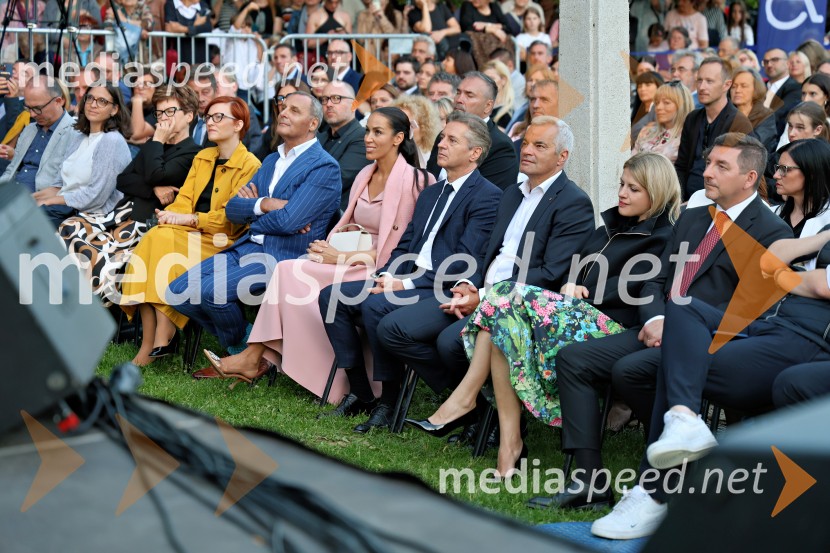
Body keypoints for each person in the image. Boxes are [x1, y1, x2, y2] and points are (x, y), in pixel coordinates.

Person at [536, 133, 793, 514]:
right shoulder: (693, 218)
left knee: (631, 371)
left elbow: (750, 310)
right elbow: (655, 281)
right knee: (574, 359)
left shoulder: (773, 233)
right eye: (708, 163)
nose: (707, 172)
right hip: (657, 326)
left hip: (709, 340)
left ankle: (670, 467)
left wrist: (680, 327)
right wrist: (657, 317)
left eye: (721, 166)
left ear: (749, 177)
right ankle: (590, 480)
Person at [407, 151, 681, 475]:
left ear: (656, 191)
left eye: (633, 189)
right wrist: (571, 283)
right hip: (574, 315)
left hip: (614, 326)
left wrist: (585, 292)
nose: (622, 193)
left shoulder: (665, 237)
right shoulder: (609, 227)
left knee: (505, 294)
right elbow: (575, 266)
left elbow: (645, 288)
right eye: (622, 184)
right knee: (501, 325)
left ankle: (467, 399)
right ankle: (509, 444)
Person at [598, 227, 830, 539]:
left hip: (805, 338)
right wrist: (822, 239)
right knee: (683, 306)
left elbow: (822, 285)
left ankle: (653, 493)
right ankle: (684, 420)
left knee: (678, 359)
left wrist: (782, 276)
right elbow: (771, 257)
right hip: (766, 323)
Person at [381, 115, 594, 433]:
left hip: (518, 305)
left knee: (450, 343)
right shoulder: (512, 193)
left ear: (562, 156)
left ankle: (483, 416)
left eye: (539, 146)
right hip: (481, 292)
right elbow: (488, 252)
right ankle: (480, 410)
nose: (527, 151)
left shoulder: (573, 203)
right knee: (393, 328)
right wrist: (468, 284)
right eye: (525, 143)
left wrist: (483, 296)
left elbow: (551, 273)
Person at [198, 107, 433, 395]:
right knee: (287, 269)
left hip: (377, 267)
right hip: (347, 257)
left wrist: (342, 257)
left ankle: (256, 358)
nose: (368, 138)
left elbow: (400, 248)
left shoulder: (415, 181)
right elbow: (350, 224)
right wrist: (330, 246)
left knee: (290, 271)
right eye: (367, 131)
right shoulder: (365, 173)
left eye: (377, 132)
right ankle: (258, 356)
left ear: (398, 138)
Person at [317, 112, 502, 432]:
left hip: (441, 287)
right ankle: (361, 392)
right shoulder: (432, 193)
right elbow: (406, 245)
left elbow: (463, 263)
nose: (441, 144)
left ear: (475, 153)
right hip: (411, 280)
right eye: (442, 137)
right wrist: (385, 276)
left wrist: (402, 284)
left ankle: (389, 402)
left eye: (452, 140)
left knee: (376, 306)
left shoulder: (487, 196)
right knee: (331, 297)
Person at [166, 92, 341, 354]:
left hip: (283, 255)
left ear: (313, 123)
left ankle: (245, 355)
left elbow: (288, 222)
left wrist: (254, 214)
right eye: (283, 108)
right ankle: (247, 345)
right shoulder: (271, 159)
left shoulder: (324, 167)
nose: (283, 113)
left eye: (294, 111)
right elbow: (232, 210)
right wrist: (266, 204)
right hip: (247, 246)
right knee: (177, 292)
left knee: (212, 292)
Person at [119, 96, 261, 366]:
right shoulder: (203, 157)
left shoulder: (251, 165)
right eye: (209, 117)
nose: (210, 122)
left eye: (219, 117)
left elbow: (231, 218)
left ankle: (162, 335)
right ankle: (152, 339)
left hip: (223, 241)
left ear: (238, 124)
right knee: (157, 236)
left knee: (160, 240)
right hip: (190, 234)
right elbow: (184, 198)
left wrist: (188, 219)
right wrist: (171, 215)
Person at [60, 86, 201, 304]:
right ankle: (65, 299)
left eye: (170, 112)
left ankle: (90, 309)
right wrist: (154, 188)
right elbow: (124, 180)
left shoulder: (193, 153)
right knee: (70, 227)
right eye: (159, 113)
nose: (163, 118)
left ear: (189, 116)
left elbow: (155, 173)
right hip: (122, 214)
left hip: (147, 222)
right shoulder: (153, 146)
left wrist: (157, 141)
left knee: (101, 256)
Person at [33, 83, 132, 228]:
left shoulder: (111, 140)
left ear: (114, 109)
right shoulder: (79, 137)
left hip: (91, 217)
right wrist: (31, 199)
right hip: (64, 209)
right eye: (90, 98)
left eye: (102, 101)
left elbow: (96, 197)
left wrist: (50, 201)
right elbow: (58, 186)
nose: (93, 104)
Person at [674, 57, 752, 200]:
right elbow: (682, 165)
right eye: (699, 80)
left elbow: (737, 176)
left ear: (726, 85)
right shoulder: (692, 118)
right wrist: (678, 199)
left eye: (709, 81)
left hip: (719, 201)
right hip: (686, 198)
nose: (702, 87)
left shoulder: (739, 123)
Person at [426, 72, 519, 190]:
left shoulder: (500, 146)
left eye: (469, 95)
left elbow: (490, 196)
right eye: (458, 92)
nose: (459, 99)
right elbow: (429, 179)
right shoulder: (444, 135)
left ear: (488, 106)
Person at [0, 76, 77, 193]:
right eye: (28, 108)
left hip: (40, 200)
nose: (32, 114)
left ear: (58, 101)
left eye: (37, 108)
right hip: (12, 195)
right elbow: (11, 171)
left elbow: (69, 186)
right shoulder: (29, 130)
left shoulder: (75, 132)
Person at [317, 80, 370, 209]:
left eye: (336, 98)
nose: (328, 104)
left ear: (354, 105)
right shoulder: (318, 138)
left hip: (338, 215)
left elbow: (335, 180)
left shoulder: (363, 138)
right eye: (325, 99)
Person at [772, 139, 830, 238]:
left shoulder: (826, 221)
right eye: (778, 168)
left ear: (811, 173)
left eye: (784, 169)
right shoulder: (772, 213)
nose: (776, 175)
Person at [633, 81, 694, 163]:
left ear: (682, 106)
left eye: (666, 103)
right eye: (657, 103)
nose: (658, 107)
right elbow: (631, 161)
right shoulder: (647, 131)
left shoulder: (689, 136)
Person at [730, 67, 777, 153]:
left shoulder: (766, 115)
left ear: (756, 89)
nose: (737, 90)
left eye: (743, 86)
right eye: (733, 86)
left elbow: (755, 146)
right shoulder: (725, 114)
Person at [393, 95, 441, 169]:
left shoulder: (435, 158)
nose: (401, 129)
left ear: (425, 127)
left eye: (408, 124)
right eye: (397, 123)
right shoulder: (386, 155)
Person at [762, 48, 802, 137]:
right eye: (766, 61)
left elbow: (778, 116)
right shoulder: (759, 87)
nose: (769, 64)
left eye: (775, 60)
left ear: (788, 63)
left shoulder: (796, 88)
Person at [631, 71, 665, 144]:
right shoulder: (637, 110)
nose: (642, 89)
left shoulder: (660, 110)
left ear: (658, 86)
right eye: (639, 86)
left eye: (648, 85)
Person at [482, 59, 514, 129]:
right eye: (484, 79)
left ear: (503, 80)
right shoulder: (482, 109)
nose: (487, 83)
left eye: (491, 78)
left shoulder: (509, 114)